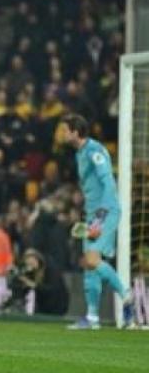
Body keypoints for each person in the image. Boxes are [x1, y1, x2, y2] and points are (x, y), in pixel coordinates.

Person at [59, 114, 135, 329]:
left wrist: (100, 216)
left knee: (92, 260)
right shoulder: (79, 154)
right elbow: (91, 186)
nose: (63, 134)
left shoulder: (95, 151)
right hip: (92, 214)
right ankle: (92, 318)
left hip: (106, 212)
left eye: (65, 130)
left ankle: (126, 294)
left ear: (75, 132)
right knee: (89, 266)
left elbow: (108, 181)